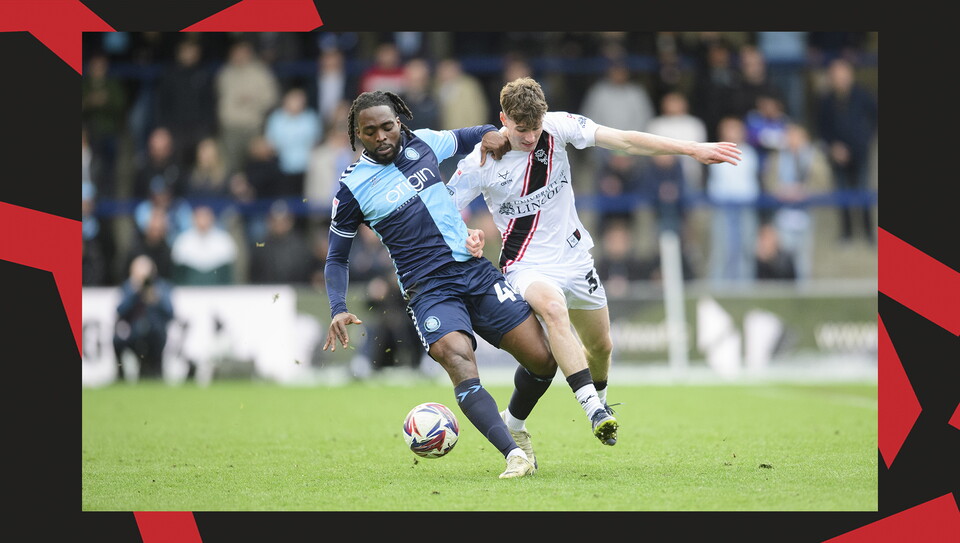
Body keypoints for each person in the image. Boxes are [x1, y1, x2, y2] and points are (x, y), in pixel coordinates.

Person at [448, 77, 741, 451]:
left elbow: (626, 140)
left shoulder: (558, 126)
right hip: (526, 264)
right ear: (503, 119)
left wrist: (692, 149)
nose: (531, 137)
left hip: (574, 257)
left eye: (536, 127)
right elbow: (441, 210)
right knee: (554, 311)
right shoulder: (480, 161)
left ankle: (555, 412)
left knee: (601, 346)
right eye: (521, 129)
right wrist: (465, 235)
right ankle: (594, 411)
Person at [322, 90, 574, 479]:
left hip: (474, 272)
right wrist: (338, 307)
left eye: (387, 127)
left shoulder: (423, 142)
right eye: (370, 131)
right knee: (457, 358)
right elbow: (336, 257)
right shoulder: (352, 187)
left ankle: (513, 423)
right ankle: (514, 455)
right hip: (428, 290)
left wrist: (490, 134)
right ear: (358, 134)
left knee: (543, 360)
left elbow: (469, 134)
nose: (381, 136)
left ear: (399, 123)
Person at [815, 57, 878, 244]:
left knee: (863, 191)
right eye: (836, 75)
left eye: (844, 74)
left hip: (860, 152)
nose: (840, 79)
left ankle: (868, 232)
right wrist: (833, 147)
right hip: (837, 155)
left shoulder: (863, 96)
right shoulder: (826, 101)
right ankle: (847, 232)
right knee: (842, 193)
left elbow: (874, 119)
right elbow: (822, 128)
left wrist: (865, 140)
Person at [113, 255, 175, 382]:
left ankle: (155, 372)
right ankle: (121, 374)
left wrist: (156, 298)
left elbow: (170, 313)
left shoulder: (162, 287)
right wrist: (134, 291)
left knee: (156, 334)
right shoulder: (128, 287)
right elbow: (120, 310)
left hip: (155, 332)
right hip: (133, 331)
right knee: (117, 339)